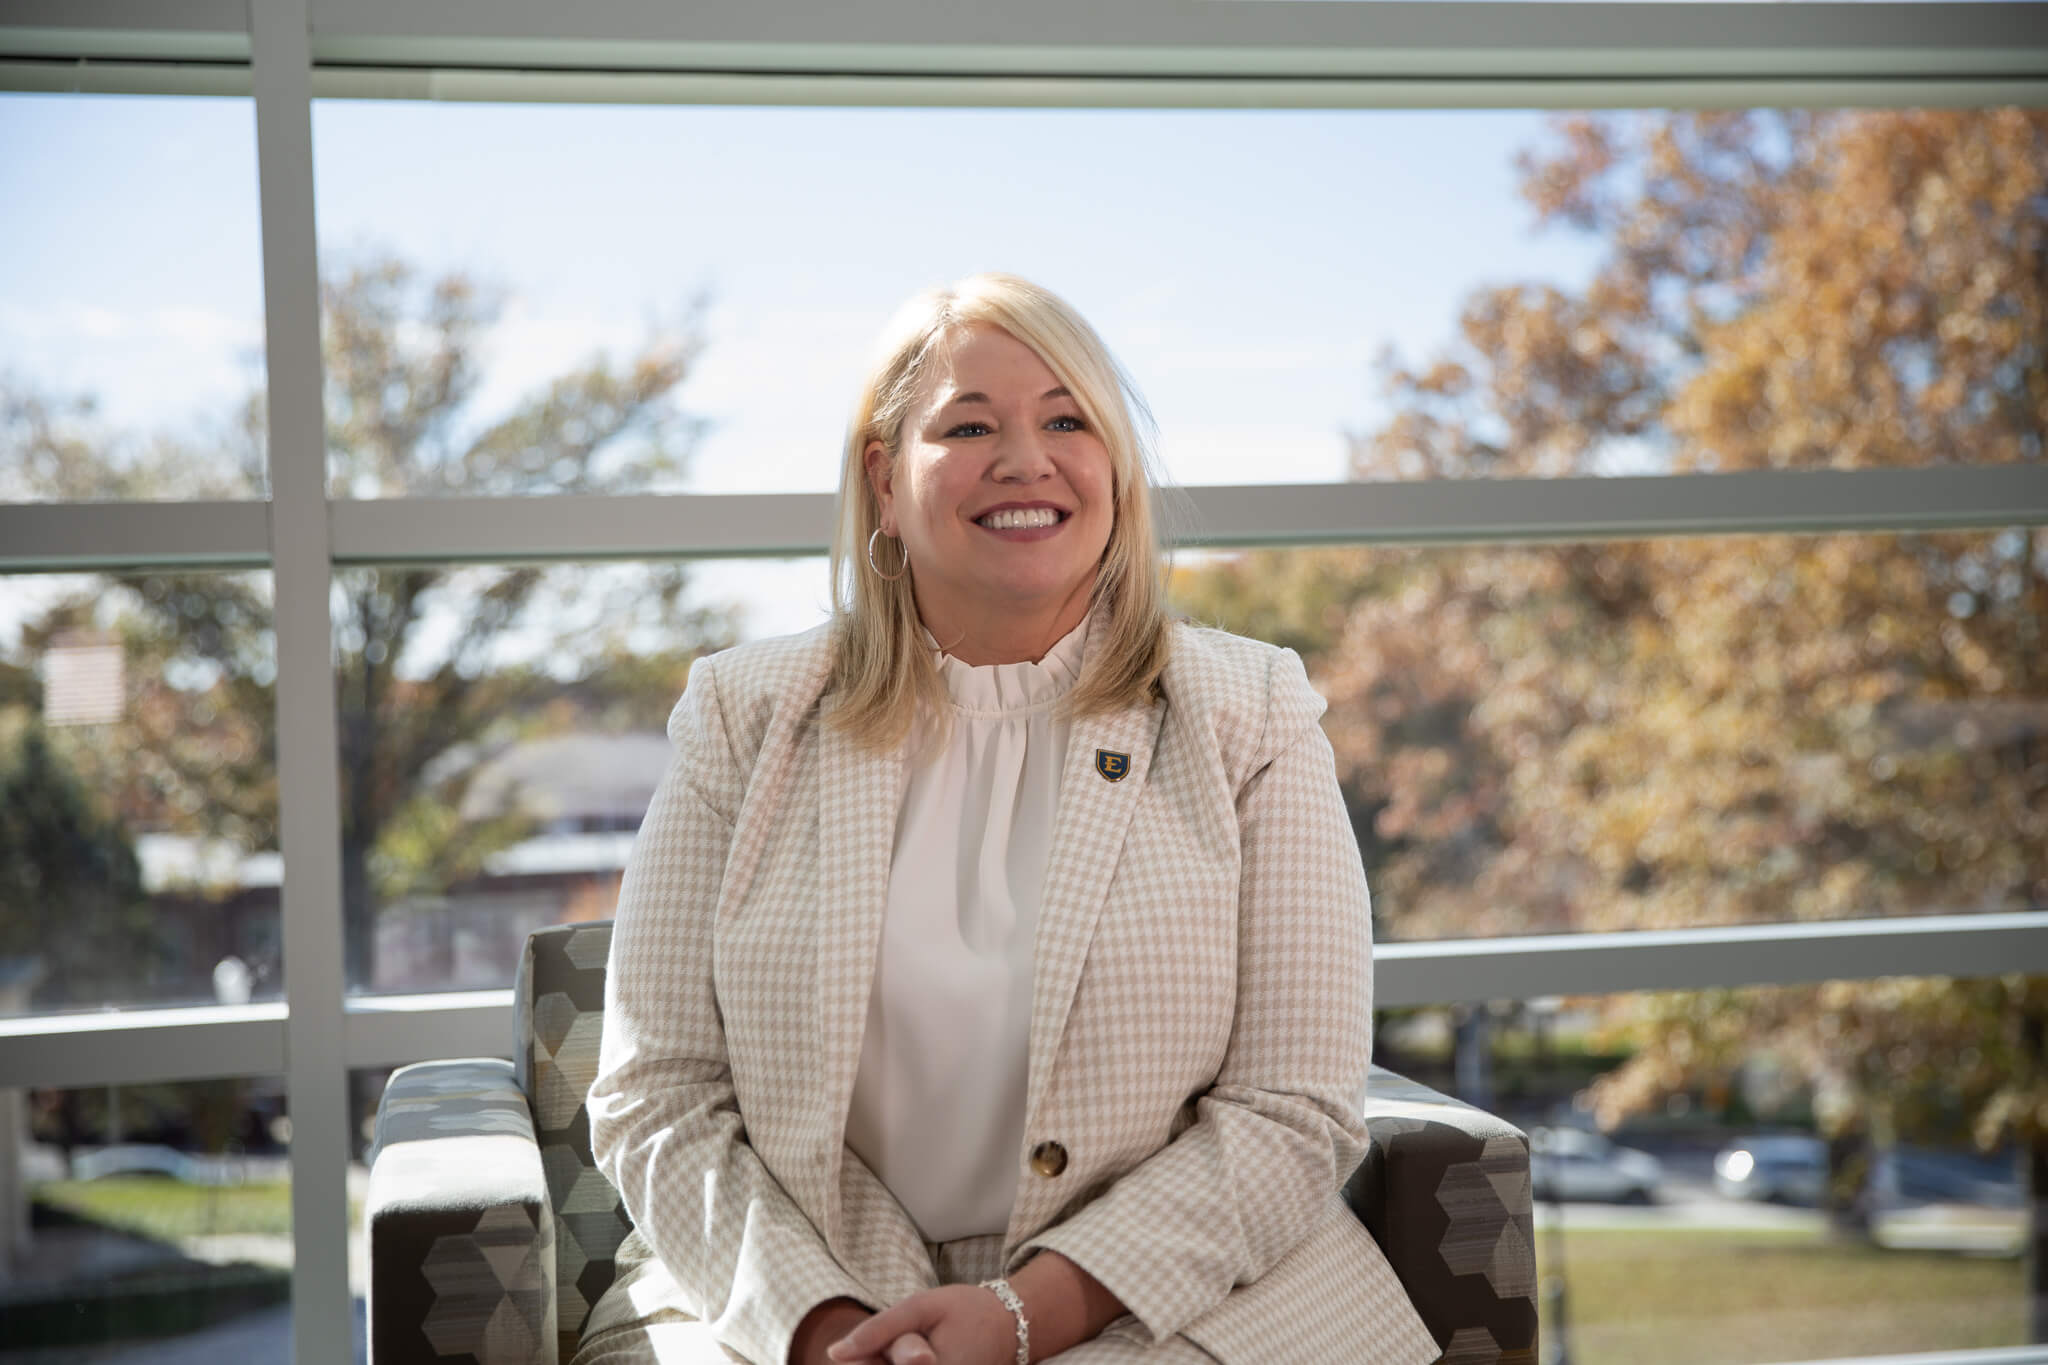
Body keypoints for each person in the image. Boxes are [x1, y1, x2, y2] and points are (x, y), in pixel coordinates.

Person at [579, 273, 1439, 1365]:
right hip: (808, 1293)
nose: (1026, 459)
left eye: (1067, 419)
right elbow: (658, 1096)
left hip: (1180, 1300)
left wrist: (1027, 1315)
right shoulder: (742, 718)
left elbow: (1294, 1108)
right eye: (970, 424)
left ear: (1115, 471)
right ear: (885, 484)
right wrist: (829, 1329)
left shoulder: (1249, 711)